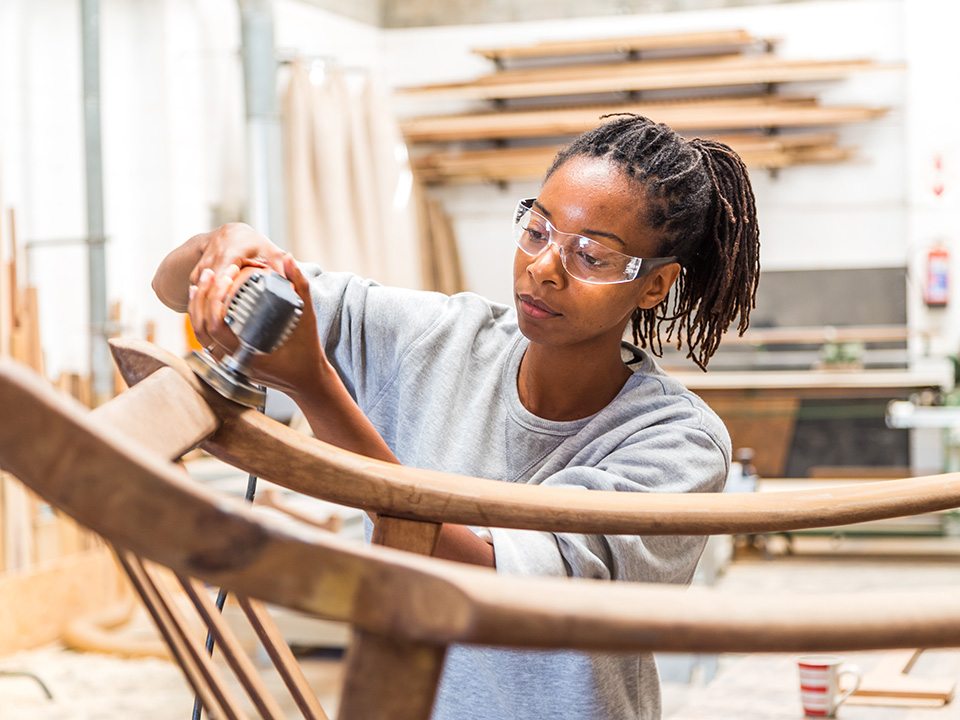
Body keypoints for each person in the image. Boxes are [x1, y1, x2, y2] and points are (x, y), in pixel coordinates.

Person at [153, 113, 760, 719]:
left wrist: (315, 388)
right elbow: (171, 282)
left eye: (592, 256)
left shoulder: (677, 442)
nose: (545, 267)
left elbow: (496, 592)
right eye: (537, 230)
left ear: (654, 285)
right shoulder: (437, 338)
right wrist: (229, 250)